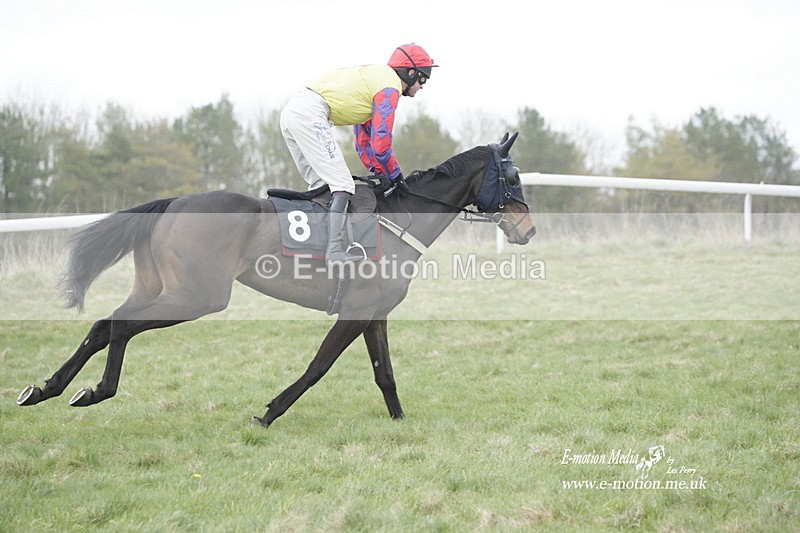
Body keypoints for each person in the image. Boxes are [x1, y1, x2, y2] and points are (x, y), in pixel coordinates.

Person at [280, 43, 438, 262]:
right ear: (410, 73)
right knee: (343, 185)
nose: (422, 86)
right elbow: (382, 146)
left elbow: (364, 144)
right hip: (311, 115)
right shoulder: (388, 88)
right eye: (423, 79)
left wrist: (380, 172)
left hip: (293, 113)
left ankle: (319, 248)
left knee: (322, 187)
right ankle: (334, 251)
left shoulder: (376, 80)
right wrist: (395, 176)